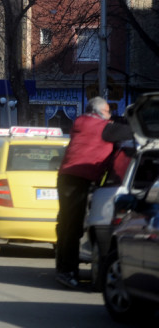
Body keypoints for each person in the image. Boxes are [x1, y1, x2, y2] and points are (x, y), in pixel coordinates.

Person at [54, 96, 133, 289]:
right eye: (108, 112)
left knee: (67, 225)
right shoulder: (103, 128)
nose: (110, 115)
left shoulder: (84, 123)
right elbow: (130, 131)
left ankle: (63, 269)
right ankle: (67, 271)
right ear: (98, 112)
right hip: (77, 180)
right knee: (71, 227)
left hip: (69, 178)